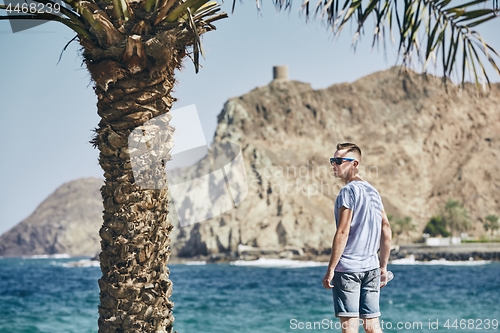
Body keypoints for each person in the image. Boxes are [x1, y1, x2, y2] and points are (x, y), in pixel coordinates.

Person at [322, 142, 392, 333]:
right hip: (371, 268)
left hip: (348, 270)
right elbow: (385, 228)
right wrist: (383, 266)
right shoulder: (373, 191)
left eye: (338, 160)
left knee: (349, 328)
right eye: (332, 160)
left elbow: (343, 232)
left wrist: (330, 269)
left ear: (355, 164)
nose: (333, 165)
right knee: (372, 327)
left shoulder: (347, 192)